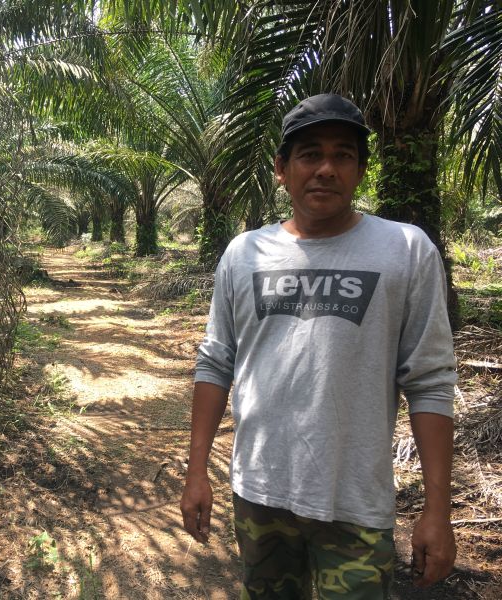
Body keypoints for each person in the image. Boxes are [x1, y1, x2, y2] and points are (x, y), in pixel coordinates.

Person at [180, 93, 457, 599]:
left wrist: (437, 512)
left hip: (354, 503)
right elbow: (216, 361)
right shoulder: (245, 254)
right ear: (282, 169)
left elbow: (430, 381)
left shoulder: (406, 250)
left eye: (342, 154)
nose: (326, 168)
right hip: (259, 493)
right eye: (310, 154)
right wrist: (197, 472)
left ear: (360, 170)